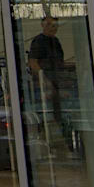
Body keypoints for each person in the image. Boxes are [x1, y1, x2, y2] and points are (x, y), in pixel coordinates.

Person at [27, 16, 72, 146]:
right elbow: (33, 62)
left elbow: (60, 62)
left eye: (55, 25)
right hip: (44, 84)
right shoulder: (38, 41)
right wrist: (44, 81)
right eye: (50, 25)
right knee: (46, 115)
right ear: (43, 25)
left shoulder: (56, 41)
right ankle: (47, 141)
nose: (53, 28)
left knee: (58, 114)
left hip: (56, 82)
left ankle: (60, 142)